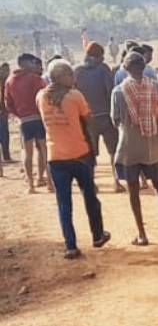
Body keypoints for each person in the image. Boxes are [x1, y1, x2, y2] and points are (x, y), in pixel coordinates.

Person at [37, 59, 110, 259]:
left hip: (55, 157)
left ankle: (71, 245)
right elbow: (89, 120)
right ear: (61, 77)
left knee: (64, 204)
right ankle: (97, 235)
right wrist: (92, 146)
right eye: (70, 74)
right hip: (79, 154)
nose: (73, 77)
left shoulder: (41, 97)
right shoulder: (75, 96)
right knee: (90, 197)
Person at [112, 51, 158, 246]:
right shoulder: (156, 87)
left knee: (134, 191)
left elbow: (116, 119)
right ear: (144, 67)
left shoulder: (119, 91)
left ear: (126, 69)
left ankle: (142, 234)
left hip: (129, 147)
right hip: (153, 147)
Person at [75, 42, 123, 192]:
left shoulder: (77, 71)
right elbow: (111, 91)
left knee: (89, 154)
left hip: (87, 119)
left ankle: (92, 184)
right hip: (105, 117)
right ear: (98, 55)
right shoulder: (103, 69)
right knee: (113, 151)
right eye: (102, 55)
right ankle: (116, 182)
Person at [4, 54, 49, 193]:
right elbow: (46, 95)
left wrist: (20, 115)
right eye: (32, 62)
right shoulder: (35, 79)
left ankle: (30, 185)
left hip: (24, 121)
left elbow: (8, 103)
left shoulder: (10, 81)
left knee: (27, 152)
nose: (34, 65)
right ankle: (47, 181)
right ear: (25, 63)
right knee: (44, 150)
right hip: (39, 118)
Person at [0, 61, 12, 167]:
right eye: (5, 70)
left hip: (4, 112)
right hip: (1, 112)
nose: (7, 72)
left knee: (5, 134)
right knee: (3, 134)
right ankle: (6, 157)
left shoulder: (7, 82)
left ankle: (6, 156)